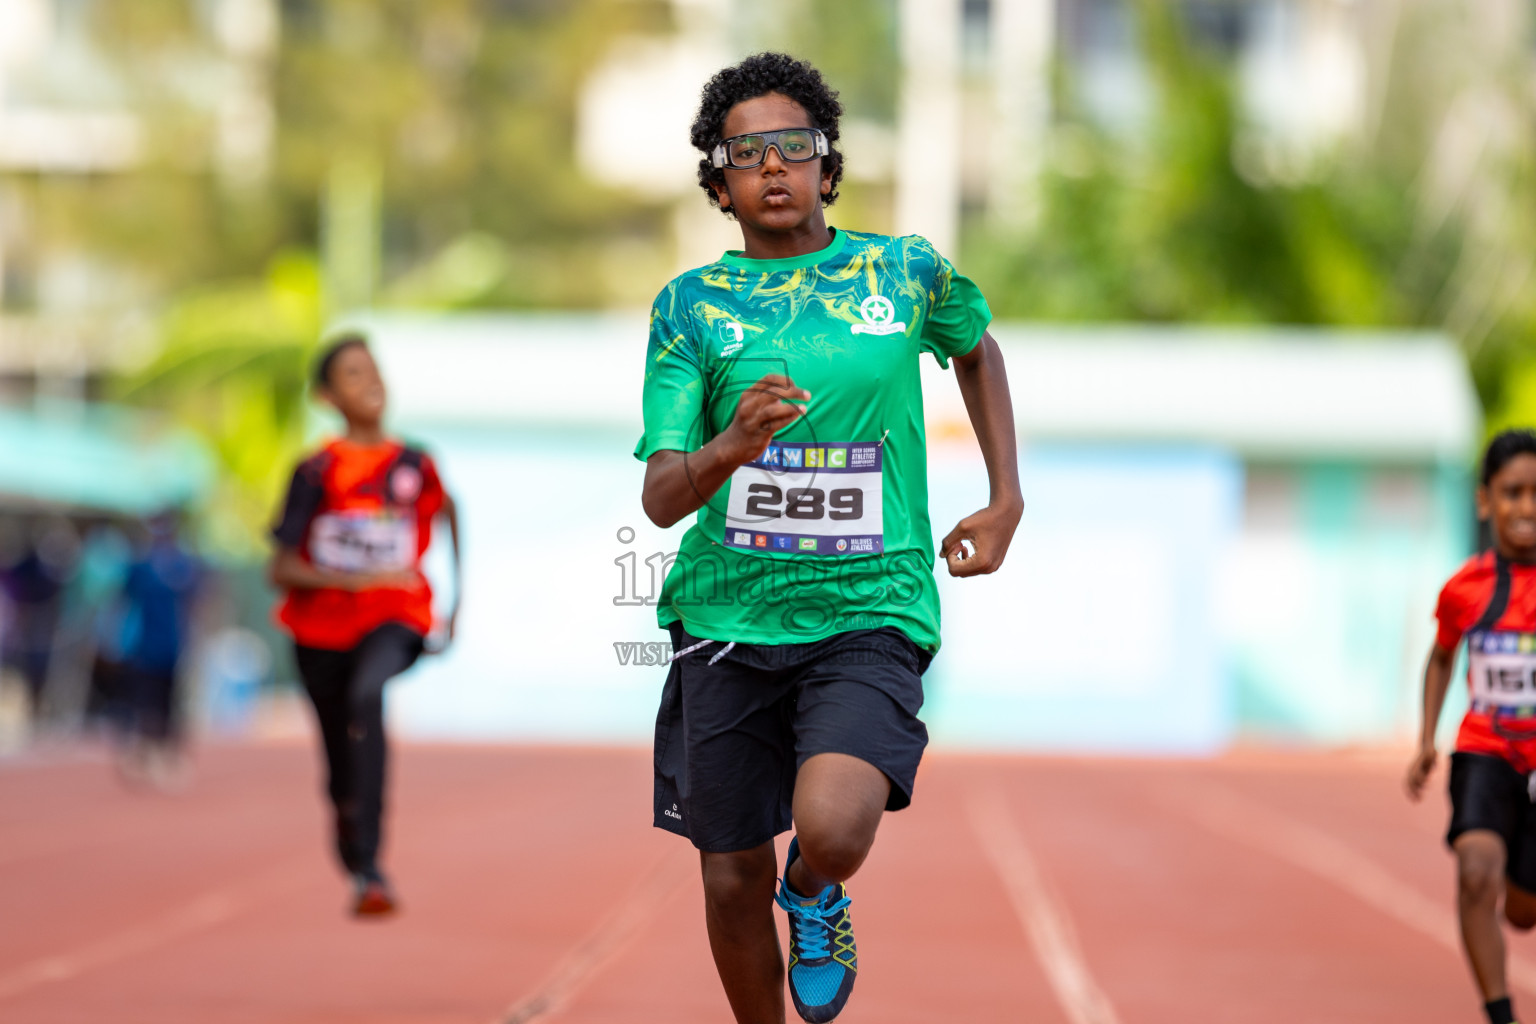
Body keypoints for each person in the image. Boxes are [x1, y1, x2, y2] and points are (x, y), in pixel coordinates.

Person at [635, 53, 1022, 1024]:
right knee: (727, 877)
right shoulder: (691, 308)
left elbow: (977, 348)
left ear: (827, 164)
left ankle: (812, 891)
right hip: (727, 616)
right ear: (718, 182)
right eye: (747, 153)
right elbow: (660, 497)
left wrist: (1005, 495)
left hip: (871, 605)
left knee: (835, 825)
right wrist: (734, 442)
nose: (774, 168)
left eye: (794, 148)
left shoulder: (905, 270)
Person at [270, 333, 461, 917]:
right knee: (337, 757)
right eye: (353, 375)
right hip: (320, 632)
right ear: (327, 396)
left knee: (368, 693)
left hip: (396, 614)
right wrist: (346, 580)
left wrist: (459, 602)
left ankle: (372, 867)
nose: (371, 382)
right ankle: (350, 826)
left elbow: (453, 512)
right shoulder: (315, 471)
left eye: (373, 370)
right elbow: (279, 567)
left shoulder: (415, 464)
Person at [1408, 428, 1536, 1024]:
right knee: (1476, 871)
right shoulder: (1466, 588)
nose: (1527, 507)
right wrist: (1426, 741)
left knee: (1522, 909)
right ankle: (1503, 1016)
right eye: (1513, 492)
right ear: (1485, 501)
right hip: (1485, 751)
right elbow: (1441, 658)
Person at [114, 512, 203, 788]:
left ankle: (169, 756)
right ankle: (146, 753)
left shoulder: (184, 566)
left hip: (174, 646)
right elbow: (122, 603)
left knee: (172, 703)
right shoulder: (139, 567)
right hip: (144, 647)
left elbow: (198, 602)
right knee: (146, 701)